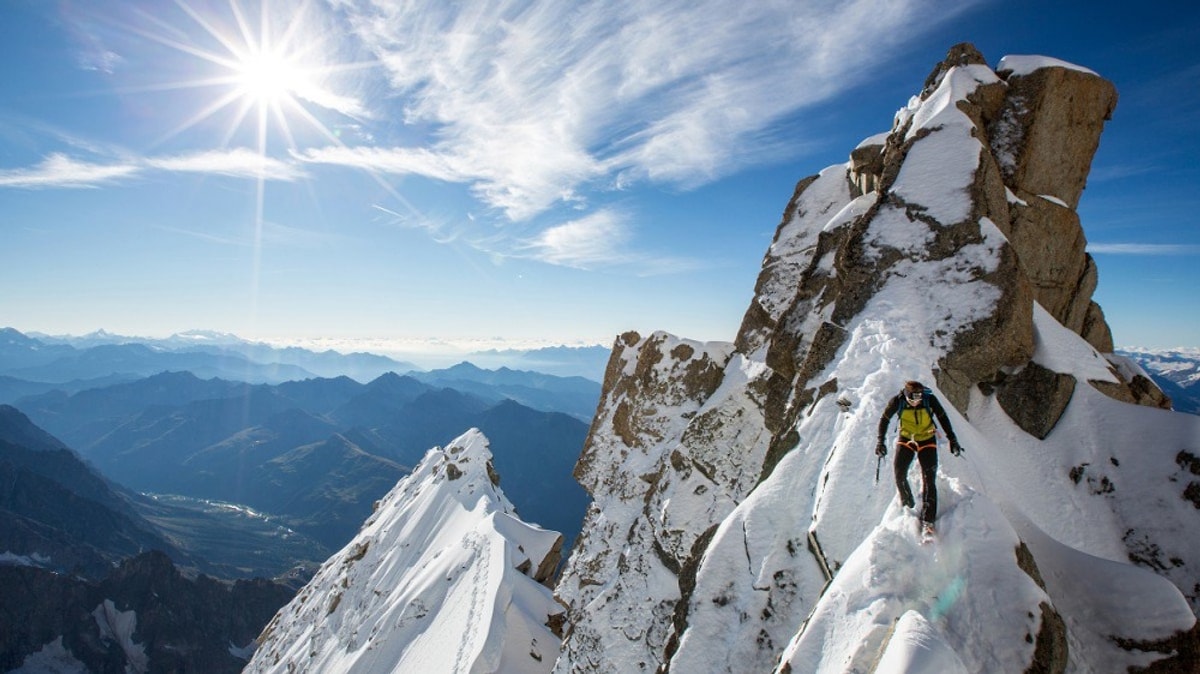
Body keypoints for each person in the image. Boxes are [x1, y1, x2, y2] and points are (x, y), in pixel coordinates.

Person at [876, 381, 963, 535]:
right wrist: (880, 442)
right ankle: (908, 507)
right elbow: (884, 419)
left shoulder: (929, 399)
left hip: (927, 440)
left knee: (929, 479)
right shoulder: (898, 401)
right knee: (899, 473)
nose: (916, 402)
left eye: (918, 399)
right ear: (907, 396)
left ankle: (928, 521)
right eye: (912, 400)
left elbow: (943, 418)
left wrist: (953, 439)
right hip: (907, 439)